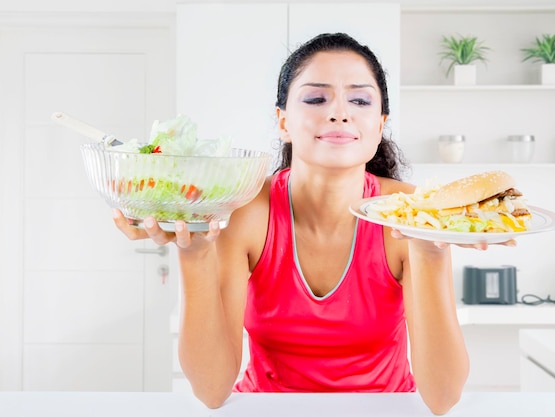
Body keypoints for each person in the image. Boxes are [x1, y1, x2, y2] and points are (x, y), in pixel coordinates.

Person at [113, 32, 501, 415]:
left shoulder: (412, 212)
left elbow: (443, 397)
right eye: (316, 98)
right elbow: (211, 390)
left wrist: (430, 253)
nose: (339, 111)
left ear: (380, 124)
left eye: (360, 99)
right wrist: (193, 254)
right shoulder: (246, 211)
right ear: (283, 121)